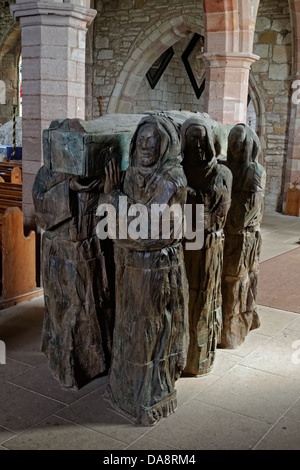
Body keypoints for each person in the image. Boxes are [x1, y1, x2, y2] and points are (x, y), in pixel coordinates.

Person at [98, 114, 189, 426]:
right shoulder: (131, 174)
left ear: (164, 144)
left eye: (154, 141)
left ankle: (149, 395)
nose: (147, 146)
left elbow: (149, 232)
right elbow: (108, 223)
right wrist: (111, 197)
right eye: (142, 140)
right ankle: (125, 390)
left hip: (156, 269)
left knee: (150, 331)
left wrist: (113, 197)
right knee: (128, 327)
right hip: (130, 268)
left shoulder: (171, 179)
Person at [32, 166, 115, 389]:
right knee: (66, 310)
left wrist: (108, 191)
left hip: (93, 249)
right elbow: (40, 207)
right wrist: (67, 187)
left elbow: (112, 211)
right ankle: (65, 362)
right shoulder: (48, 173)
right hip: (60, 253)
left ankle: (96, 361)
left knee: (94, 306)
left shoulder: (99, 170)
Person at [181, 116, 232, 376]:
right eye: (191, 139)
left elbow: (216, 212)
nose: (198, 145)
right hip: (182, 245)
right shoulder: (177, 172)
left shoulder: (221, 173)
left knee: (203, 299)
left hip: (207, 246)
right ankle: (180, 355)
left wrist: (185, 193)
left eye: (202, 139)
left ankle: (198, 357)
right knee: (182, 298)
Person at [220, 123, 266, 349]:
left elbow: (244, 213)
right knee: (228, 282)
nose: (236, 145)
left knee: (239, 281)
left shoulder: (254, 171)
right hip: (227, 235)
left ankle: (235, 326)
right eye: (233, 141)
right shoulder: (225, 168)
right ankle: (229, 325)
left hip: (243, 238)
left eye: (241, 141)